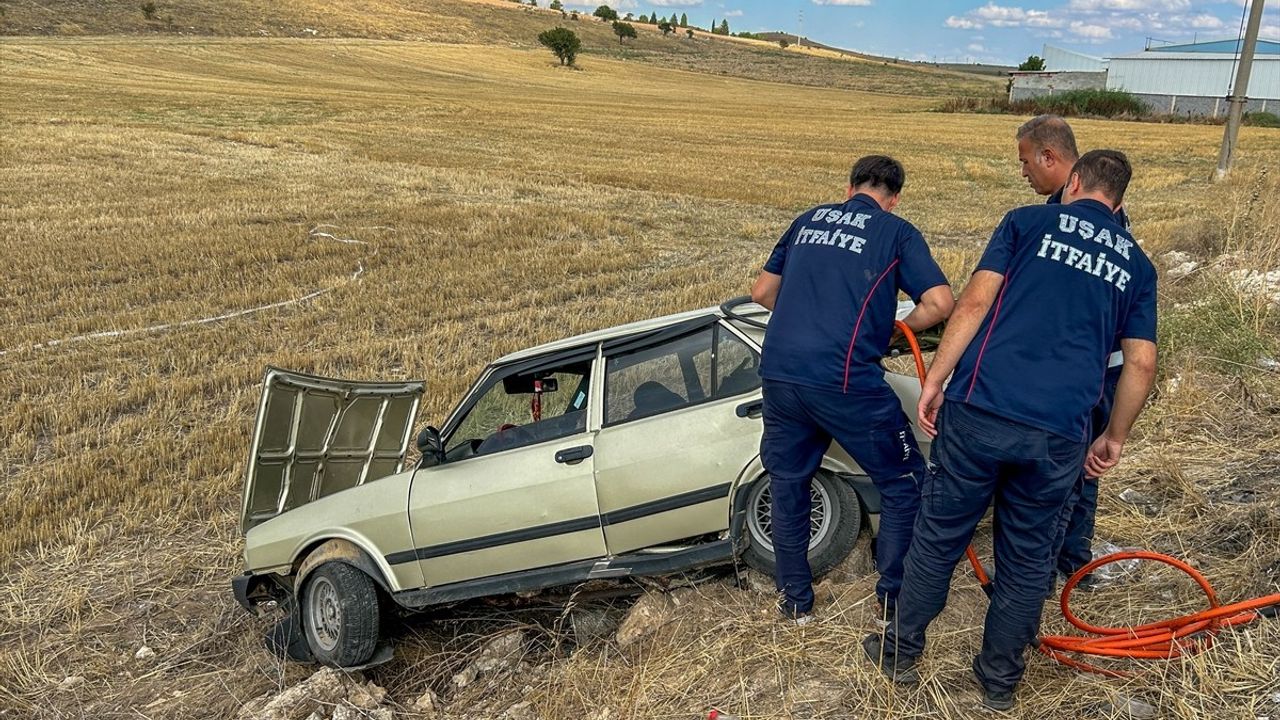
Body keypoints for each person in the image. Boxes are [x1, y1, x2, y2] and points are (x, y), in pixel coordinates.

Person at [863, 150, 1158, 711]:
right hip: (1060, 434)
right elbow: (1141, 363)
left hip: (982, 408)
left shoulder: (1026, 222)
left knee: (938, 536)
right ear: (1119, 201)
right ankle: (999, 681)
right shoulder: (1138, 266)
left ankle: (899, 653)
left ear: (1073, 181)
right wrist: (1114, 436)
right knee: (1027, 560)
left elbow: (975, 301)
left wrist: (935, 379)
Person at [750, 155, 954, 623]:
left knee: (788, 484)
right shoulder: (896, 232)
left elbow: (762, 293)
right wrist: (896, 331)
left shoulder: (806, 221)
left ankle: (796, 604)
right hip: (844, 380)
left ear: (849, 188)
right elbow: (940, 302)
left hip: (780, 374)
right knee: (904, 482)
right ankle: (892, 603)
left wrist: (807, 318)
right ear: (894, 198)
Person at [1017, 114, 1127, 591]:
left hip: (1090, 369)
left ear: (1051, 158)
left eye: (1026, 161)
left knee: (1074, 465)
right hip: (1081, 364)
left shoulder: (1092, 218)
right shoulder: (1063, 207)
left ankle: (1061, 565)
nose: (1023, 172)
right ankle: (1057, 559)